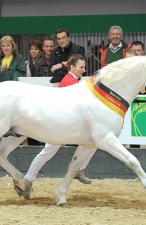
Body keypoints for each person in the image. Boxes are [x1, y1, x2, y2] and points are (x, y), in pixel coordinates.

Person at [24, 54, 95, 199]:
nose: (84, 70)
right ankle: (28, 180)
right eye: (81, 67)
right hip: (60, 126)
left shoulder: (73, 80)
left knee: (92, 142)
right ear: (72, 67)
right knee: (48, 152)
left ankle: (28, 180)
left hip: (64, 125)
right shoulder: (71, 82)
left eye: (84, 67)